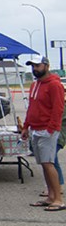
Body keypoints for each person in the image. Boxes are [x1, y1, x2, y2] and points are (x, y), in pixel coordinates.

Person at [21, 57, 66, 211]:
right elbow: (31, 107)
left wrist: (51, 129)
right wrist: (26, 126)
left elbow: (58, 109)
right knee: (43, 164)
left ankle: (59, 199)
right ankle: (51, 196)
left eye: (37, 65)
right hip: (35, 128)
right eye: (32, 66)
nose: (35, 68)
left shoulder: (55, 85)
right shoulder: (35, 85)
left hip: (48, 130)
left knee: (49, 163)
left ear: (46, 65)